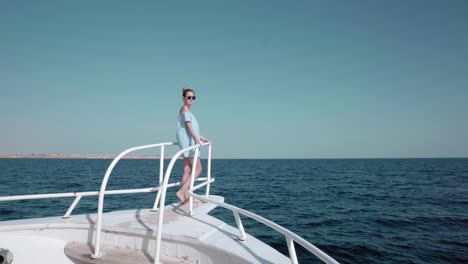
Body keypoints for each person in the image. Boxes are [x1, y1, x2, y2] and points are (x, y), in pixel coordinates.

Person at [175, 86, 209, 204]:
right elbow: (188, 126)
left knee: (187, 169)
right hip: (189, 142)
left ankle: (185, 196)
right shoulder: (185, 109)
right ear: (183, 98)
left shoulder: (186, 110)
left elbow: (189, 127)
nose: (191, 100)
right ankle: (182, 192)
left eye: (193, 98)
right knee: (198, 169)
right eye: (189, 97)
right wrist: (196, 139)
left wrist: (200, 136)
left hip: (187, 141)